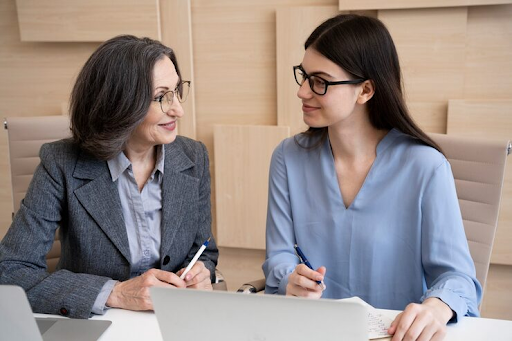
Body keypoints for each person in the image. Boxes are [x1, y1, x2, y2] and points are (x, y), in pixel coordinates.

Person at [262, 14, 481, 341]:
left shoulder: (426, 167)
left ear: (365, 90)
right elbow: (279, 257)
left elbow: (457, 277)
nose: (302, 92)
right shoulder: (288, 158)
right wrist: (289, 279)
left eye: (320, 81)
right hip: (309, 332)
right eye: (304, 76)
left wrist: (435, 307)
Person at [0, 35, 218, 319]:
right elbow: (11, 271)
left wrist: (201, 274)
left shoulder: (193, 157)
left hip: (170, 322)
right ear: (120, 104)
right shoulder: (61, 163)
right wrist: (114, 293)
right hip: (95, 323)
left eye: (177, 91)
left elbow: (204, 251)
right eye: (161, 97)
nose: (179, 109)